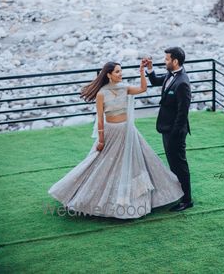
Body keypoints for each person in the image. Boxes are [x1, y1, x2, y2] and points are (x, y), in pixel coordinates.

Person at [48, 60, 184, 219]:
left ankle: (136, 200)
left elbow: (142, 88)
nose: (121, 74)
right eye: (118, 72)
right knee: (101, 165)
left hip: (128, 131)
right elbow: (99, 119)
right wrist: (100, 140)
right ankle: (85, 197)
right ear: (109, 75)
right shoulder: (101, 94)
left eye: (121, 71)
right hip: (111, 133)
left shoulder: (125, 88)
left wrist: (142, 71)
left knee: (137, 164)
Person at [145, 47, 193, 212]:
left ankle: (187, 200)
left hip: (175, 132)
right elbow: (155, 81)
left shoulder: (182, 83)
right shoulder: (171, 75)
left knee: (179, 165)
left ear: (175, 61)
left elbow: (183, 111)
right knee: (173, 164)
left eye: (166, 59)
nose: (164, 62)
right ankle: (179, 193)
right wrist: (149, 68)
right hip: (166, 129)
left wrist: (174, 133)